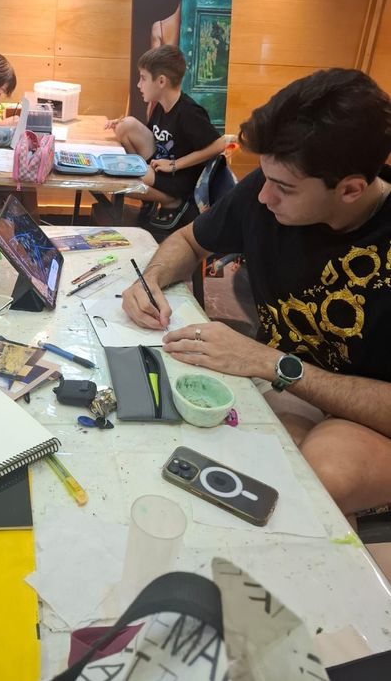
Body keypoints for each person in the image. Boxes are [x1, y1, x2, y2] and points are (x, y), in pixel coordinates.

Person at [122, 68, 391, 517]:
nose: (264, 197)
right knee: (201, 449)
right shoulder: (268, 189)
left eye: (283, 188)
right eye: (264, 177)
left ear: (350, 190)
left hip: (367, 411)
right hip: (292, 384)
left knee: (314, 481)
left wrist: (271, 364)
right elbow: (189, 241)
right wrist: (149, 279)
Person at [105, 45, 225, 228]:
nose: (139, 85)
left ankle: (171, 201)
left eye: (143, 78)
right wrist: (119, 125)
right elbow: (151, 137)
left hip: (178, 178)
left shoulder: (189, 112)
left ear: (161, 81)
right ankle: (152, 198)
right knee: (126, 125)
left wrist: (175, 164)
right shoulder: (160, 106)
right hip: (159, 165)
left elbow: (219, 144)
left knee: (121, 177)